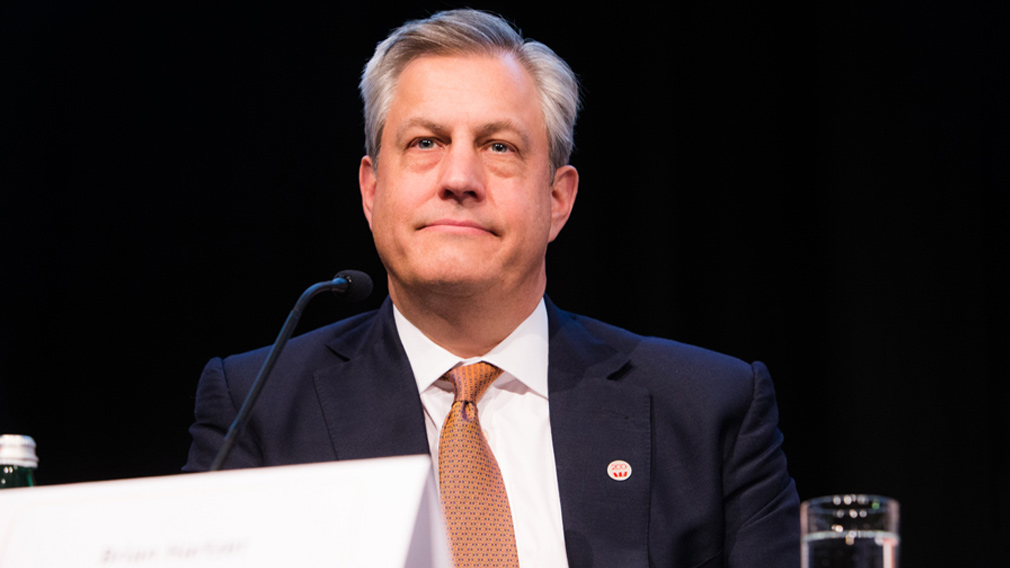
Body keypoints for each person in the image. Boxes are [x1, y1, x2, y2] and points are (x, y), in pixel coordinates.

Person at [184, 9, 800, 567]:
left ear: (557, 199)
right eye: (425, 143)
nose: (459, 178)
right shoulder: (260, 409)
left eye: (498, 146)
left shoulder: (709, 410)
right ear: (372, 191)